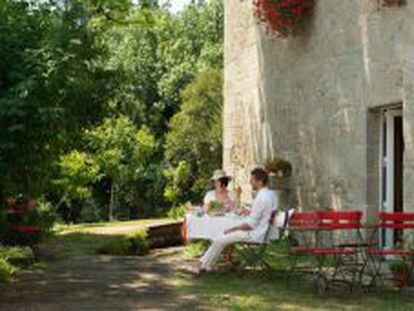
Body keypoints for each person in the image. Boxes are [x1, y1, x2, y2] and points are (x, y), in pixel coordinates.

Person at [197, 167, 278, 273]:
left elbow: (250, 225)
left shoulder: (261, 198)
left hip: (255, 234)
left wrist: (233, 229)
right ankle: (205, 265)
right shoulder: (272, 194)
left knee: (220, 238)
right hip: (263, 231)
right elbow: (263, 215)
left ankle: (201, 264)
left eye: (252, 180)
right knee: (221, 238)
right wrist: (250, 212)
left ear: (259, 181)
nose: (250, 182)